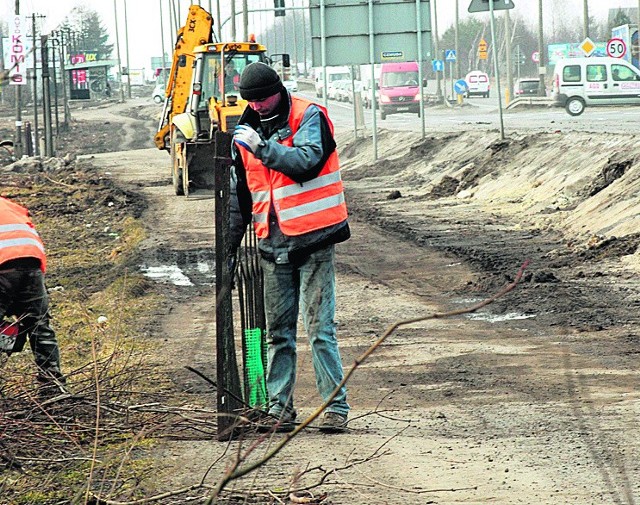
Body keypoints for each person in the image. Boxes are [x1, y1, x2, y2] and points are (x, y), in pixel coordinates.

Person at [230, 62, 350, 433]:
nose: (260, 105)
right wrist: (229, 247)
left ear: (278, 90)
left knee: (319, 329)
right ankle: (279, 409)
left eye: (264, 98)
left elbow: (307, 162)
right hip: (272, 244)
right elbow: (241, 196)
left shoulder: (308, 115)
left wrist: (264, 149)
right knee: (277, 333)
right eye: (252, 100)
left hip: (314, 239)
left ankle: (335, 409)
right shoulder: (245, 133)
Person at [0, 197, 65, 389]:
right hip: (32, 261)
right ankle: (53, 389)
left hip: (3, 265)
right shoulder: (9, 205)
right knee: (39, 326)